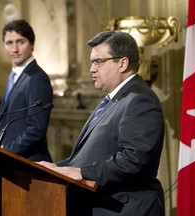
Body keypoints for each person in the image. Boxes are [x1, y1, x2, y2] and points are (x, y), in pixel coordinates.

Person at [37, 31, 165, 215]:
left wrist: (83, 172)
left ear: (122, 63)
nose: (92, 69)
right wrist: (59, 168)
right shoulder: (115, 98)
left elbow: (134, 159)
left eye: (98, 62)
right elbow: (96, 153)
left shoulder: (140, 99)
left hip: (124, 208)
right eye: (92, 62)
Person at [0, 19, 53, 162]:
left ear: (32, 44)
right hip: (11, 162)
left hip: (27, 164)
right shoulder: (15, 76)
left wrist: (4, 153)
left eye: (20, 42)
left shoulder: (37, 78)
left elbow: (36, 130)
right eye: (9, 43)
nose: (14, 49)